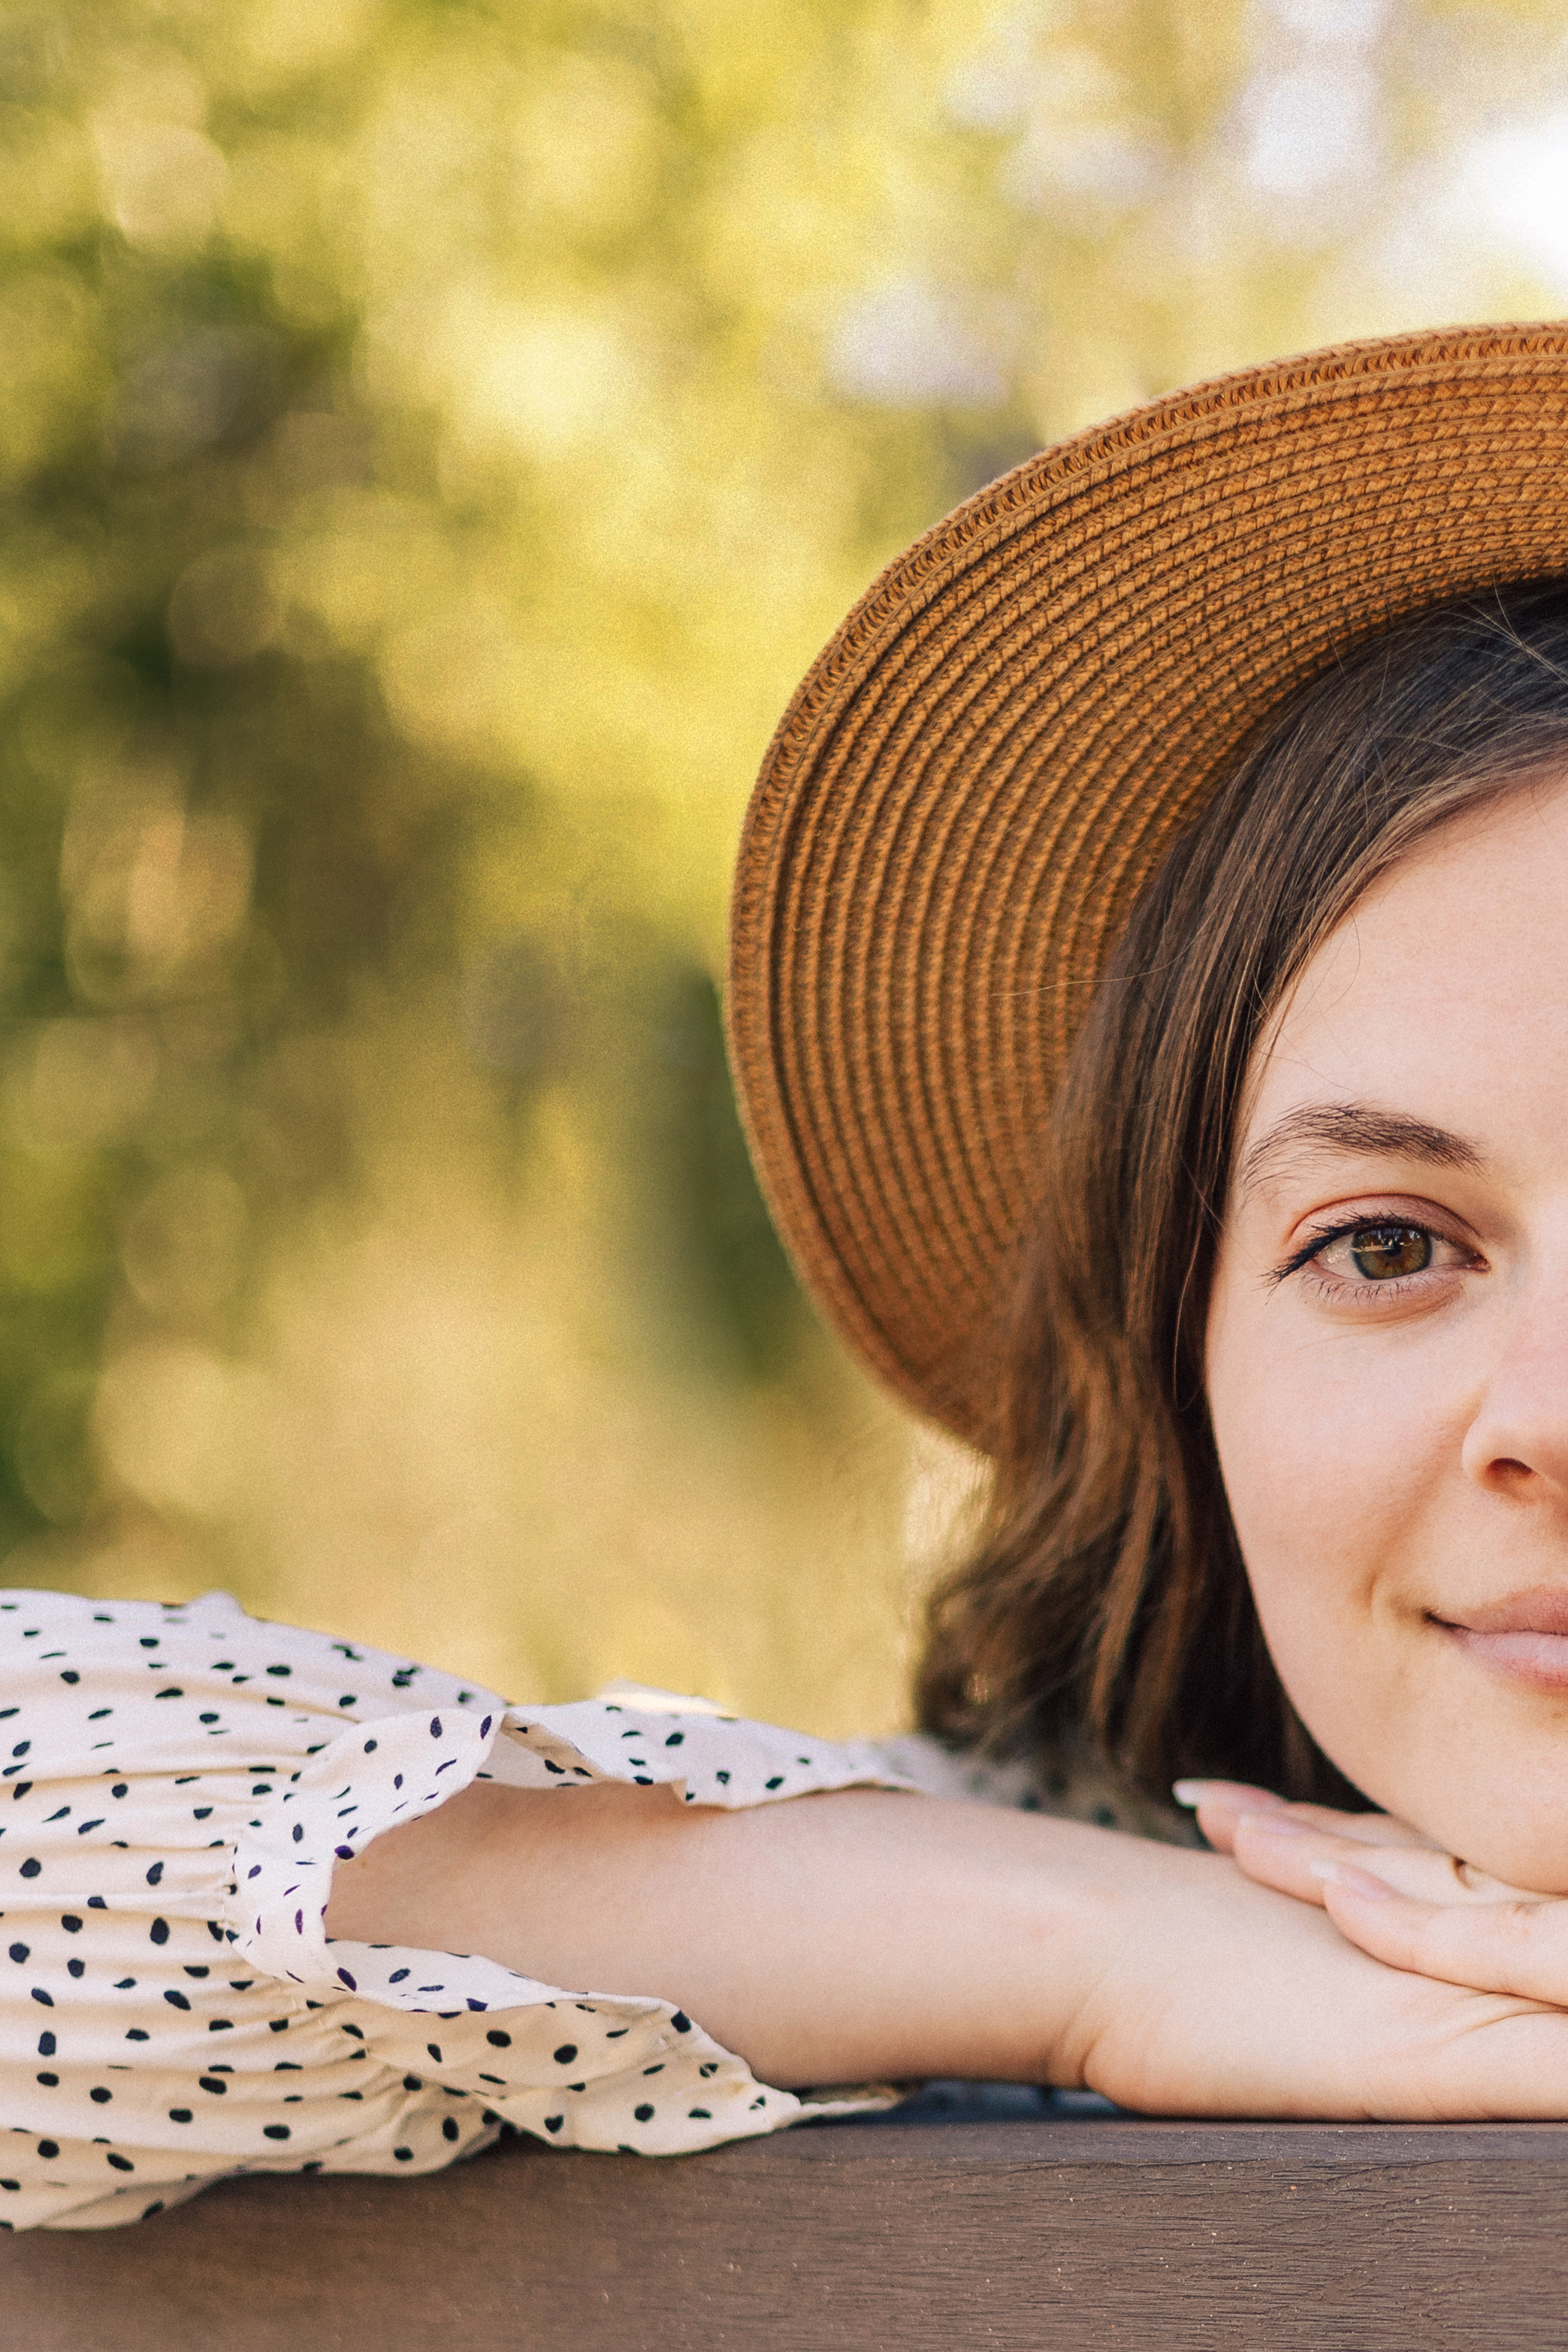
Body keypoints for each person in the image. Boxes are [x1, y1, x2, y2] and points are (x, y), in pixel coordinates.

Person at [11, 320, 1568, 2231]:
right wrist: (1098, 1956)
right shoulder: (969, 1935)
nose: (1552, 1417)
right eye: (1388, 1245)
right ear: (1187, 1361)